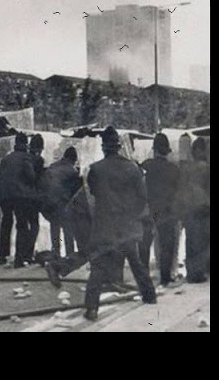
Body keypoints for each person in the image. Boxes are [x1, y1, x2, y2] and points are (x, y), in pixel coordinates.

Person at [82, 126, 156, 321]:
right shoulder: (132, 167)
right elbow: (142, 198)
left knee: (98, 268)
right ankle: (149, 295)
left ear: (104, 147)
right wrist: (131, 214)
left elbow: (94, 193)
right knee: (136, 262)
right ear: (119, 146)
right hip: (127, 225)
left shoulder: (95, 169)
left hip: (105, 226)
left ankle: (92, 308)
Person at [139, 133, 181, 286]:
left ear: (154, 150)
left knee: (144, 245)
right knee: (166, 246)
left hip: (148, 210)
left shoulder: (145, 166)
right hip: (167, 211)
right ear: (167, 151)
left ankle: (143, 277)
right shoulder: (174, 169)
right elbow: (178, 191)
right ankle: (165, 277)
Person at [0, 132, 38, 267]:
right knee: (22, 224)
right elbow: (31, 176)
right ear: (26, 145)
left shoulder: (6, 159)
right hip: (19, 195)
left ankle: (3, 255)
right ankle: (19, 259)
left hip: (4, 196)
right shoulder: (26, 158)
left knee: (6, 223)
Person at [39, 147, 82, 257]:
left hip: (46, 202)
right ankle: (70, 253)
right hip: (61, 202)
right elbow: (75, 193)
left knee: (55, 225)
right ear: (74, 159)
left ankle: (56, 252)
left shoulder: (53, 166)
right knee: (68, 226)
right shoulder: (72, 171)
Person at [179, 137, 210, 283]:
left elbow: (180, 190)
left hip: (189, 209)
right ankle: (199, 272)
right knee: (203, 242)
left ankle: (191, 272)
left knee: (191, 241)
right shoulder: (207, 169)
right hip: (204, 209)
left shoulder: (185, 169)